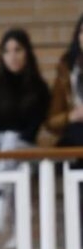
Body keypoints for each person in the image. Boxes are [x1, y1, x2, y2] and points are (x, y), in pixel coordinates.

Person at [0, 28, 50, 243]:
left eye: (18, 50)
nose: (13, 56)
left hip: (27, 148)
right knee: (11, 161)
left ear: (27, 52)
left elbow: (32, 129)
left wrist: (4, 148)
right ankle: (19, 232)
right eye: (7, 51)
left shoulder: (39, 87)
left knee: (10, 142)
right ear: (1, 55)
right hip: (1, 151)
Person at [46, 13, 83, 165]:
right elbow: (51, 122)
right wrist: (71, 116)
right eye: (82, 31)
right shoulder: (66, 71)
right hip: (75, 134)